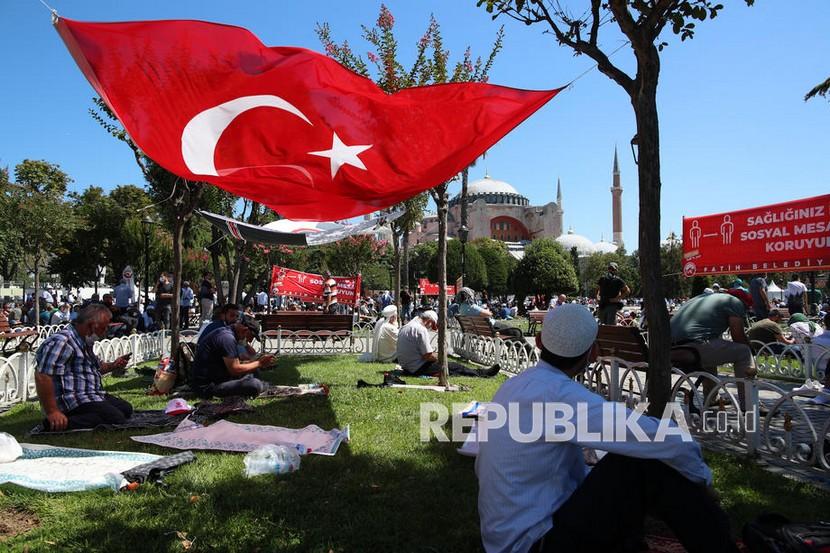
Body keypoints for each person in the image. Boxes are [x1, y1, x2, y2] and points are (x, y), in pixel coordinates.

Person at [476, 305, 737, 553]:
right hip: (537, 542)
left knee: (632, 456)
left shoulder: (514, 386)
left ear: (540, 342)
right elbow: (664, 439)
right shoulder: (560, 395)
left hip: (506, 538)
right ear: (592, 353)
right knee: (645, 460)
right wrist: (702, 478)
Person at [34, 304, 133, 431]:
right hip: (72, 400)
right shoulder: (62, 341)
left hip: (90, 395)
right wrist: (52, 411)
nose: (104, 333)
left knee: (126, 409)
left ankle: (88, 417)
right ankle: (57, 422)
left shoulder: (83, 341)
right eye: (102, 329)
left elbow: (96, 368)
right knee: (115, 418)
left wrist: (113, 365)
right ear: (91, 326)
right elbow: (43, 376)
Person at [670, 289, 756, 410]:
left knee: (712, 351)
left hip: (673, 349)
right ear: (744, 303)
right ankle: (749, 403)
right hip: (692, 349)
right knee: (744, 352)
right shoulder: (735, 302)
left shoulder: (703, 297)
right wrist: (752, 349)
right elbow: (738, 336)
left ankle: (711, 398)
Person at [396, 310, 500, 377]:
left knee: (452, 369)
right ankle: (482, 373)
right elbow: (427, 356)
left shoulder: (406, 326)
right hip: (416, 368)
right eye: (432, 326)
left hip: (407, 367)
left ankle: (477, 372)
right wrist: (442, 355)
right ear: (429, 321)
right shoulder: (420, 329)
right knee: (455, 366)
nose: (430, 329)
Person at [191, 315, 275, 398]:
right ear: (245, 330)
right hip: (208, 387)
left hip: (219, 378)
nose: (250, 341)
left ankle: (261, 384)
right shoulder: (227, 338)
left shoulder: (227, 333)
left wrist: (252, 363)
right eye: (251, 337)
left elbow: (230, 363)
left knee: (252, 371)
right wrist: (260, 363)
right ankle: (262, 385)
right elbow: (235, 369)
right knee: (254, 384)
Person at [457, 287, 525, 341]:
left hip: (478, 331)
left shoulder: (461, 308)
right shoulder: (472, 307)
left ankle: (518, 349)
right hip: (492, 329)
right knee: (516, 332)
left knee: (512, 332)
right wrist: (487, 310)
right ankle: (529, 352)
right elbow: (489, 314)